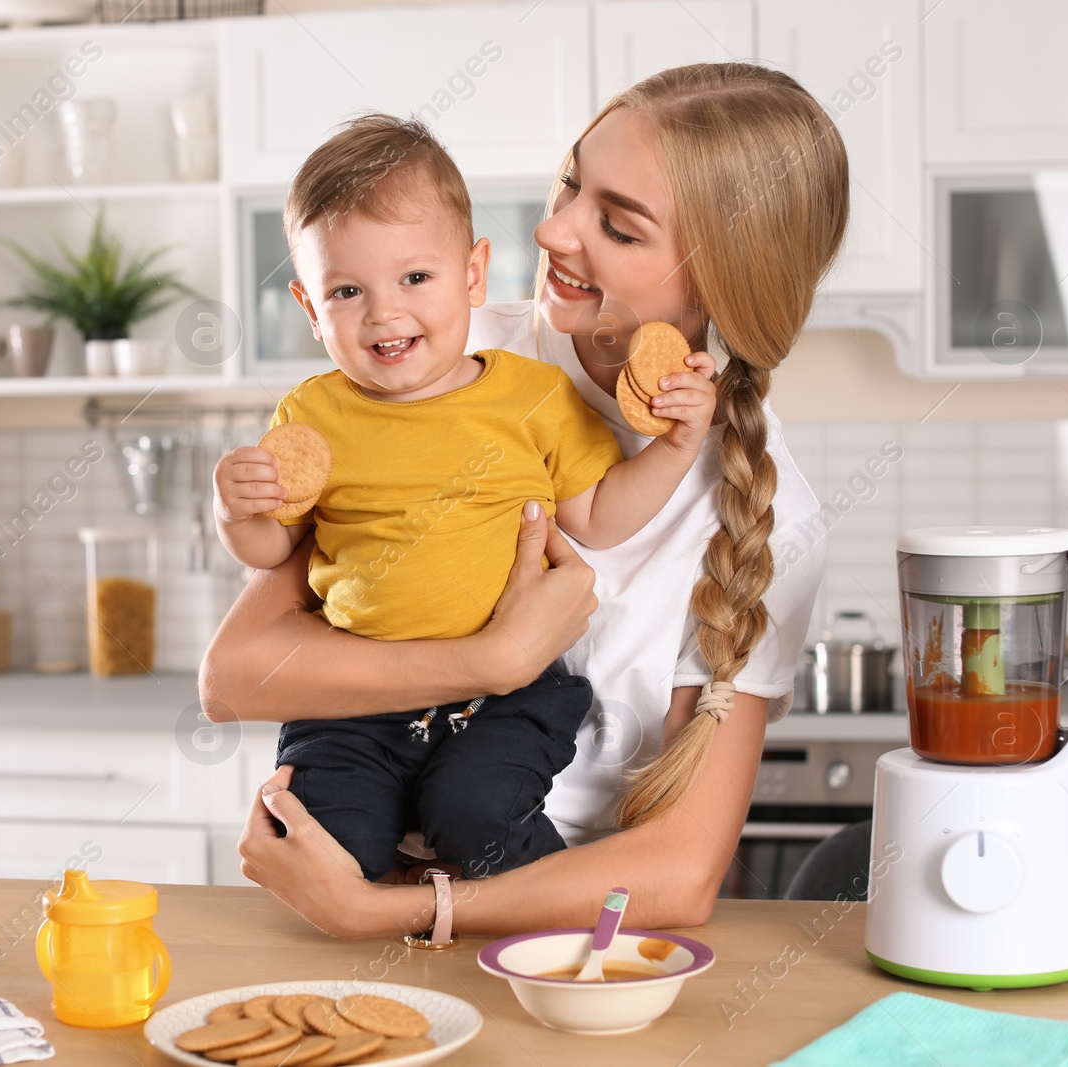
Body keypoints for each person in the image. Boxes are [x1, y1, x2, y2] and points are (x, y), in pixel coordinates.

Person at [201, 63, 848, 938]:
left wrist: (393, 909)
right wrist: (492, 660)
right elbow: (237, 674)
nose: (553, 228)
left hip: (558, 947)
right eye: (573, 184)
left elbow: (682, 875)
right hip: (354, 900)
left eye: (615, 225)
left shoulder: (768, 516)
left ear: (719, 279)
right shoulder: (436, 357)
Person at [212, 114, 717, 882]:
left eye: (415, 278)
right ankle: (391, 964)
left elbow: (600, 516)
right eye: (347, 290)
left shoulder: (534, 397)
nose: (384, 312)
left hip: (507, 698)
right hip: (354, 698)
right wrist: (235, 511)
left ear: (473, 274)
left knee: (476, 814)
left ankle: (553, 924)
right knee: (329, 842)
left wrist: (678, 446)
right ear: (311, 310)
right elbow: (271, 549)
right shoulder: (310, 415)